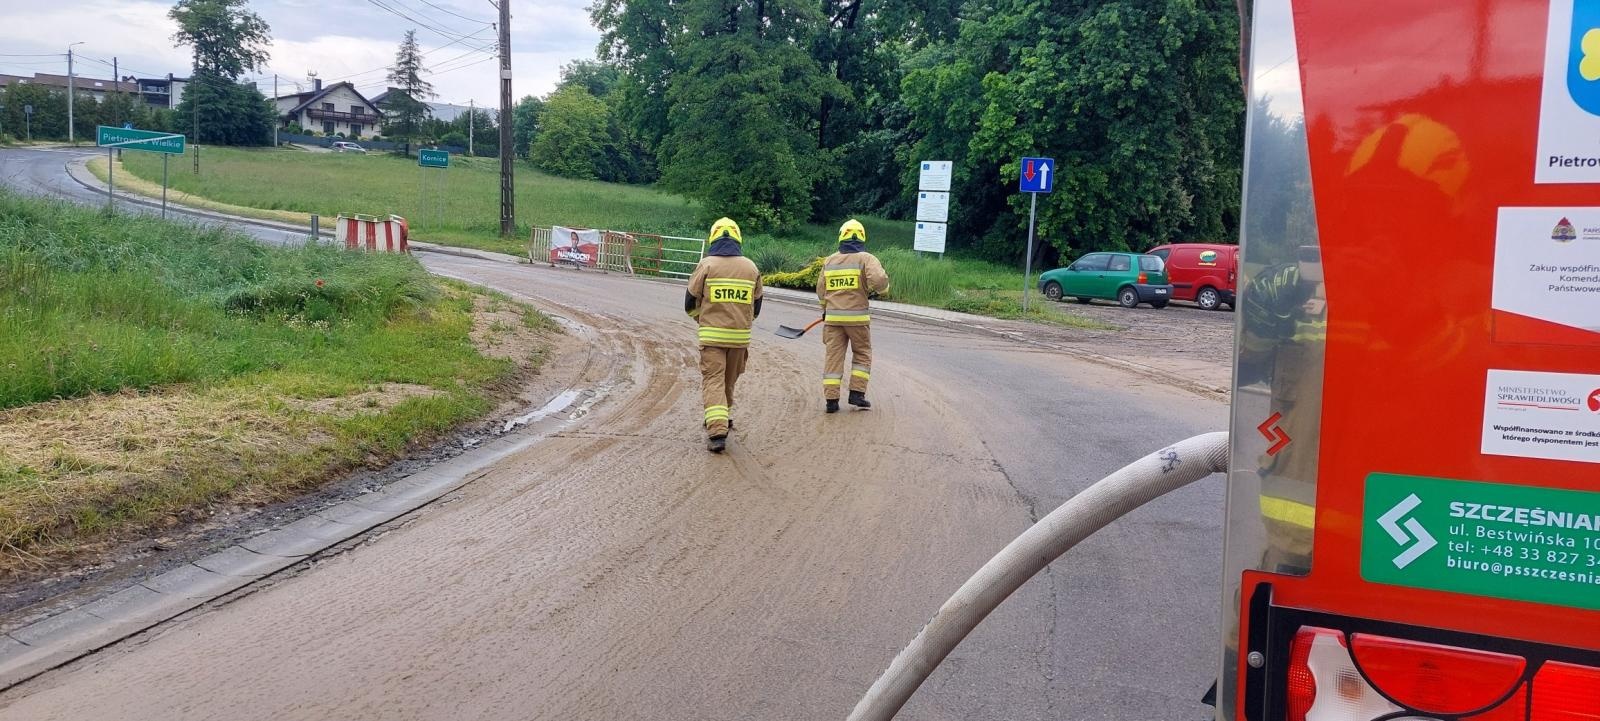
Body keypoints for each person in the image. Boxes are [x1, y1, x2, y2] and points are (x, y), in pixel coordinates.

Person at [685, 217, 764, 453]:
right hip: (739, 339)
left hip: (711, 338)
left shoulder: (707, 265)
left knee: (713, 380)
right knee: (728, 381)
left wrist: (702, 318)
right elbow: (757, 306)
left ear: (714, 238)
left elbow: (689, 302)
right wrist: (741, 321)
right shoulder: (751, 268)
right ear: (738, 239)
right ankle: (722, 417)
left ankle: (717, 430)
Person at [815, 219, 890, 414]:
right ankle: (857, 394)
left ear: (841, 237)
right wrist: (883, 290)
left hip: (833, 320)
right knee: (862, 353)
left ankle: (831, 400)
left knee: (833, 357)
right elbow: (880, 281)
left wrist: (825, 309)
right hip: (857, 320)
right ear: (862, 237)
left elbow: (820, 290)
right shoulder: (865, 258)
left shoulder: (829, 261)